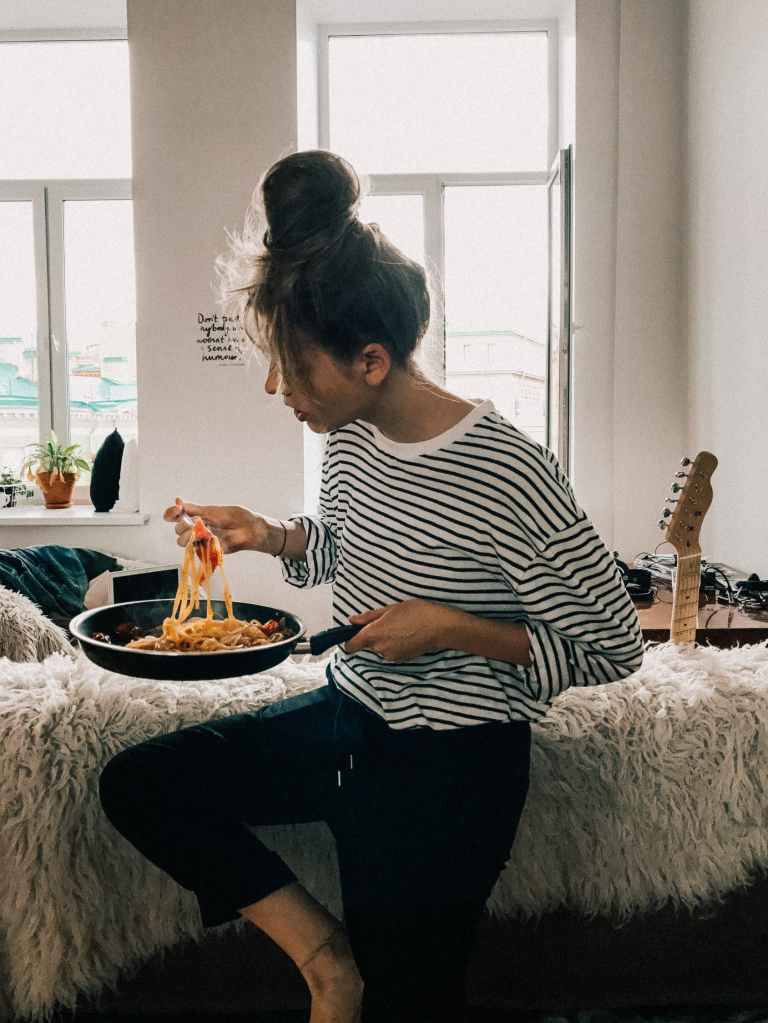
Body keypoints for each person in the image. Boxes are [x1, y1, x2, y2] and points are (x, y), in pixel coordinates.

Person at [98, 150, 645, 1023]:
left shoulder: (507, 469)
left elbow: (614, 646)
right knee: (141, 784)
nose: (278, 388)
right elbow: (341, 549)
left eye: (294, 366)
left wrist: (447, 627)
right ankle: (327, 962)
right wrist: (269, 534)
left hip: (452, 770)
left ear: (372, 360)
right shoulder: (348, 438)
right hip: (347, 718)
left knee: (412, 1002)